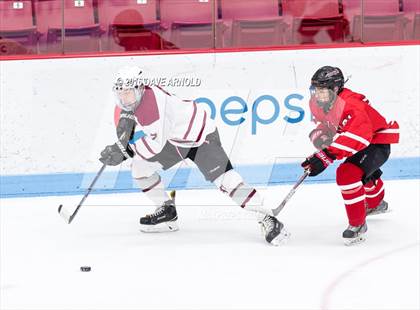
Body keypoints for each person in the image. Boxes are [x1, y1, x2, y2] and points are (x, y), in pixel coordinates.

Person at [99, 66, 290, 245]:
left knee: (227, 182)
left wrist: (124, 151)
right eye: (121, 93)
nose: (124, 98)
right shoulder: (135, 100)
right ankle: (167, 209)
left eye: (128, 92)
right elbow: (139, 134)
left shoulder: (152, 107)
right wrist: (121, 145)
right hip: (175, 141)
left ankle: (267, 217)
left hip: (201, 137)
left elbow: (154, 146)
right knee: (140, 168)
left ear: (140, 88)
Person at [301, 66, 399, 246]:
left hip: (377, 142)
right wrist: (321, 138)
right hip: (362, 141)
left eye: (322, 90)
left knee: (347, 174)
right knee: (361, 171)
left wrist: (327, 155)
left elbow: (360, 136)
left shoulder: (351, 103)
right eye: (315, 90)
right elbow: (330, 125)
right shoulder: (316, 103)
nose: (317, 95)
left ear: (336, 88)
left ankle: (357, 224)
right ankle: (377, 203)